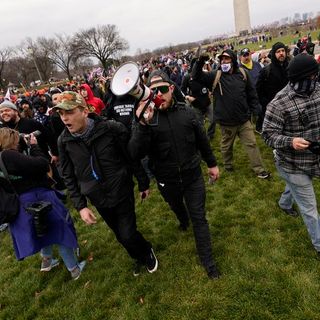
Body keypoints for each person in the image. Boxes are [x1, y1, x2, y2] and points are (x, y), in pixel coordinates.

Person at [128, 71, 221, 279]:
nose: (158, 94)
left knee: (199, 217)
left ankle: (208, 261)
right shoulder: (145, 119)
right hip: (166, 180)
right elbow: (134, 152)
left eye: (162, 89)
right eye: (153, 91)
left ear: (171, 89)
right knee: (178, 207)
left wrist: (212, 164)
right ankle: (182, 219)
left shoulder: (187, 113)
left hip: (192, 175)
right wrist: (142, 124)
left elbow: (202, 141)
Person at [54, 91, 157, 276]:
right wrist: (81, 206)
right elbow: (68, 176)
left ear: (84, 111)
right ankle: (138, 256)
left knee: (127, 233)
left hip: (121, 190)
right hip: (98, 197)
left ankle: (146, 250)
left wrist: (143, 183)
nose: (64, 118)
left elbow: (130, 157)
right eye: (61, 114)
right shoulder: (63, 141)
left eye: (69, 112)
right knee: (119, 235)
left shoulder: (110, 128)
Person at [0, 127, 85, 280]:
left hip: (22, 201)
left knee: (43, 230)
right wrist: (34, 146)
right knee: (59, 230)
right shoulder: (8, 154)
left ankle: (47, 261)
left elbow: (23, 167)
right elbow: (42, 164)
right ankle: (74, 269)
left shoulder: (3, 157)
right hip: (38, 196)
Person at [263, 53, 320, 254]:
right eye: (313, 77)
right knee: (310, 208)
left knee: (295, 188)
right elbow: (268, 135)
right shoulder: (278, 104)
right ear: (301, 78)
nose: (315, 80)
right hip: (292, 163)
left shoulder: (317, 88)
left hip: (315, 158)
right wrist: (290, 141)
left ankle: (284, 203)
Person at [192, 50, 270, 178]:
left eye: (227, 59)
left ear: (233, 60)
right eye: (222, 59)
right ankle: (228, 164)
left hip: (244, 120)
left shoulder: (243, 74)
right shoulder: (215, 76)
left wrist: (255, 109)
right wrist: (200, 61)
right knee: (226, 146)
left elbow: (251, 93)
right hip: (226, 122)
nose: (224, 62)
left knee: (252, 144)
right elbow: (196, 76)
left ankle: (260, 170)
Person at [256, 42, 290, 133]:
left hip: (290, 106)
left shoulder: (291, 67)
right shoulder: (266, 71)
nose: (281, 53)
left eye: (283, 50)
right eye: (278, 51)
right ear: (274, 54)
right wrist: (266, 104)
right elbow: (259, 90)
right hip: (273, 107)